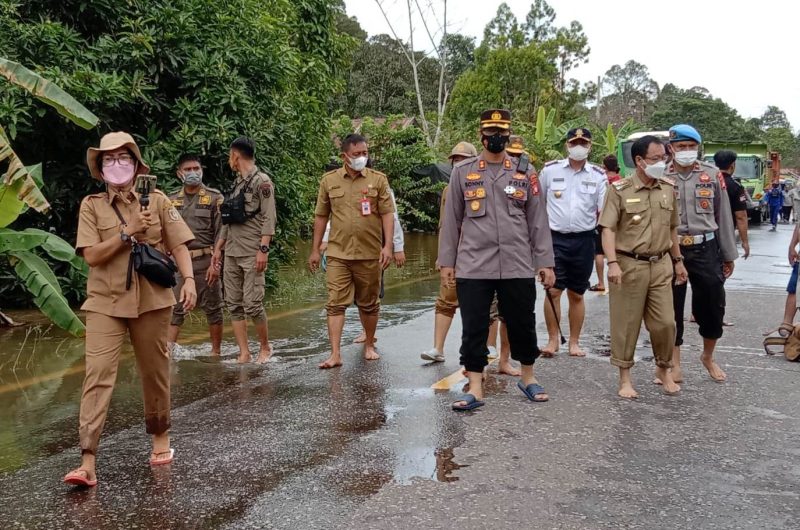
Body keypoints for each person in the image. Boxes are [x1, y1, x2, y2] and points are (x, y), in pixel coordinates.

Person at [64, 132, 197, 487]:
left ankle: (160, 439)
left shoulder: (158, 202)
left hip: (153, 299)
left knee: (155, 371)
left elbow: (179, 243)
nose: (116, 164)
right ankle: (87, 460)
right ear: (100, 167)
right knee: (98, 373)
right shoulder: (91, 205)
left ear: (137, 165)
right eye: (108, 159)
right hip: (105, 301)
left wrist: (189, 279)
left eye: (123, 157)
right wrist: (127, 233)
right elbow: (91, 255)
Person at [438, 108, 555, 411]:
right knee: (474, 325)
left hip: (517, 263)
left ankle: (528, 377)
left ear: (508, 134)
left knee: (523, 322)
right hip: (474, 265)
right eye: (491, 133)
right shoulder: (463, 173)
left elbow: (537, 220)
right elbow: (451, 221)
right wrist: (447, 263)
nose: (496, 137)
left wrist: (545, 262)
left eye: (501, 132)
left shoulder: (524, 172)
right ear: (481, 135)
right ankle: (475, 386)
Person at [599, 135, 687, 398]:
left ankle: (664, 368)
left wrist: (678, 260)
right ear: (639, 161)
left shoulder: (668, 188)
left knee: (666, 323)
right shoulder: (620, 190)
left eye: (664, 158)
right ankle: (625, 378)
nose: (662, 163)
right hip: (628, 265)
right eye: (655, 159)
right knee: (626, 324)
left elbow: (672, 229)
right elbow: (608, 229)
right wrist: (612, 263)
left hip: (661, 264)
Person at [308, 133, 395, 369]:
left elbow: (388, 214)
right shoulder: (329, 181)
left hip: (369, 253)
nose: (362, 158)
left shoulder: (378, 180)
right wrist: (315, 250)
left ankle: (368, 344)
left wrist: (388, 246)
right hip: (338, 253)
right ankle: (335, 354)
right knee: (335, 302)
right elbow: (320, 216)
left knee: (369, 303)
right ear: (344, 156)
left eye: (365, 153)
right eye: (357, 154)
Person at [665, 124, 737, 384]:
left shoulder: (712, 175)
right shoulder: (660, 175)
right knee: (670, 308)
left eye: (691, 147)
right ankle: (674, 363)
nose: (686, 151)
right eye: (681, 147)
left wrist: (728, 254)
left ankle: (708, 355)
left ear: (698, 148)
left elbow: (723, 215)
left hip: (706, 247)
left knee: (712, 303)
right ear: (671, 148)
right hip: (671, 249)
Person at [539, 128, 608, 357]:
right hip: (555, 239)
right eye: (574, 142)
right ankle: (552, 340)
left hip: (584, 240)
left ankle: (574, 342)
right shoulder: (550, 171)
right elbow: (538, 205)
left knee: (577, 294)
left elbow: (604, 211)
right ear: (567, 145)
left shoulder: (598, 175)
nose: (578, 146)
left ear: (590, 146)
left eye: (583, 142)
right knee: (554, 290)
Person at [211, 137, 277, 364]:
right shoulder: (237, 184)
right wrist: (218, 249)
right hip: (232, 251)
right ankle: (244, 352)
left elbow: (269, 218)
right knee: (234, 304)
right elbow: (229, 221)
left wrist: (263, 250)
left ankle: (265, 348)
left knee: (253, 304)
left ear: (235, 155)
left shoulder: (262, 182)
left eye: (230, 156)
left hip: (252, 250)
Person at [321, 179, 405, 345]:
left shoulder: (380, 186)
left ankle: (368, 334)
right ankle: (341, 348)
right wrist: (325, 240)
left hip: (373, 246)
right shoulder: (340, 185)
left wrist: (396, 247)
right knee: (341, 297)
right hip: (344, 248)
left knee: (369, 294)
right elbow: (336, 216)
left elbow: (392, 218)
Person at [421, 141, 478, 363]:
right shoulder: (448, 190)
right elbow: (445, 225)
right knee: (446, 300)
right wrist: (443, 257)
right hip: (455, 255)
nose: (458, 163)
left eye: (463, 159)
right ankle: (438, 348)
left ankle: (488, 347)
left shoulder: (483, 186)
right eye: (455, 159)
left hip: (480, 255)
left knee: (484, 305)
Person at [167, 154, 225, 355]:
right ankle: (168, 353)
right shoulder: (171, 200)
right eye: (188, 169)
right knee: (175, 309)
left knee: (214, 308)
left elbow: (221, 234)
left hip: (206, 260)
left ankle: (215, 352)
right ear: (179, 174)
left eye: (196, 168)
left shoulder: (214, 198)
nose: (193, 173)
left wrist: (216, 265)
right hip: (178, 264)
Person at [591, 155, 622, 292]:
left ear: (604, 166)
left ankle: (601, 282)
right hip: (617, 222)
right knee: (617, 252)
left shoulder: (599, 179)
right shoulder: (621, 181)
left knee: (599, 253)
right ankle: (617, 279)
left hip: (600, 220)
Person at [714, 150, 750, 259]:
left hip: (705, 233)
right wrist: (745, 242)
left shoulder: (706, 182)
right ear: (733, 165)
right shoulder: (735, 186)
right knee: (723, 266)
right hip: (725, 233)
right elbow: (741, 217)